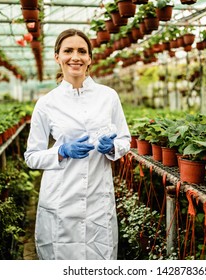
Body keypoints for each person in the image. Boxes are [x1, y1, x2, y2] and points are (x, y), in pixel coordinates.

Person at [24, 28, 131, 260]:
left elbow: (125, 139)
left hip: (97, 197)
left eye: (82, 51)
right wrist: (61, 152)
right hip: (60, 198)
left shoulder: (108, 96)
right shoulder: (46, 103)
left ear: (90, 58)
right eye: (68, 51)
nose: (76, 57)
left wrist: (112, 147)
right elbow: (32, 156)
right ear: (57, 57)